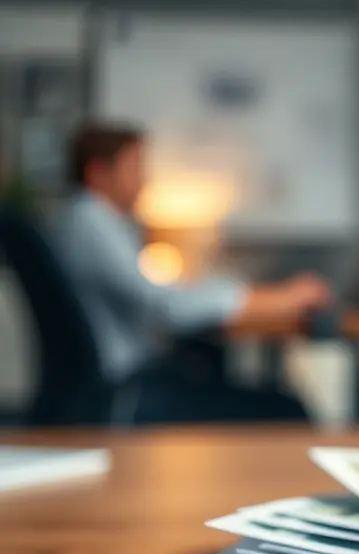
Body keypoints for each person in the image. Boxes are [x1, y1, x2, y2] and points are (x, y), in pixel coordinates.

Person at [49, 123, 331, 424]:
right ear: (97, 173)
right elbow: (164, 305)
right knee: (286, 409)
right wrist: (277, 298)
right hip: (130, 392)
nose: (143, 180)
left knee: (246, 383)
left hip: (131, 382)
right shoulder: (91, 220)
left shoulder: (88, 220)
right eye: (134, 168)